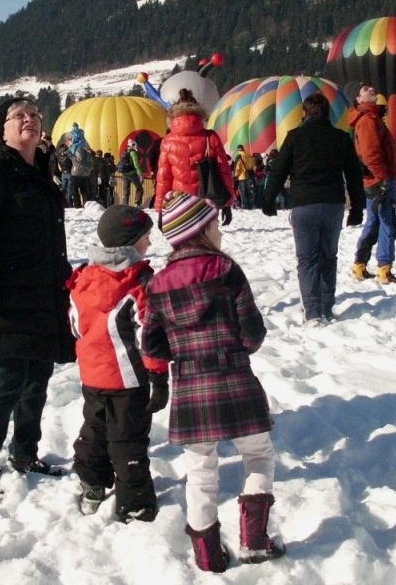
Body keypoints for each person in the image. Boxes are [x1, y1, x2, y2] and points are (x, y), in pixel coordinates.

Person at [141, 192, 283, 572]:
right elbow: (252, 334)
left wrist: (183, 351)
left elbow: (151, 344)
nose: (220, 231)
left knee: (200, 474)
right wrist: (236, 347)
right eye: (215, 225)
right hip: (235, 380)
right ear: (201, 231)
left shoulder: (156, 286)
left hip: (190, 389)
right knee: (258, 457)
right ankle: (255, 541)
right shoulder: (228, 272)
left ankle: (207, 557)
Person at [0, 97, 76, 502]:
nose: (29, 120)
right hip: (5, 292)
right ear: (2, 129)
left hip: (42, 290)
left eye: (34, 115)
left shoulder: (39, 168)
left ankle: (24, 453)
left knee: (38, 376)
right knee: (7, 378)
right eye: (18, 116)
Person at [67, 204, 166, 522]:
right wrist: (159, 377)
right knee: (128, 439)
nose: (149, 244)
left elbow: (75, 325)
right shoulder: (138, 281)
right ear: (129, 243)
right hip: (128, 381)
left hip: (92, 376)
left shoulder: (84, 276)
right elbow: (149, 335)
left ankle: (91, 483)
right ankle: (134, 502)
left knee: (94, 430)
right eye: (145, 237)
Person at [262, 92, 365, 325]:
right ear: (328, 112)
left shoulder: (295, 137)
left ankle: (313, 312)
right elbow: (354, 175)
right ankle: (327, 308)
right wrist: (357, 207)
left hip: (304, 205)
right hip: (333, 205)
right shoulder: (341, 138)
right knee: (328, 257)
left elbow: (278, 171)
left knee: (307, 260)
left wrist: (268, 200)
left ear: (304, 113)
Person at [346, 82, 396, 284]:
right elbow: (371, 153)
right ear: (359, 99)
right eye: (364, 90)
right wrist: (382, 178)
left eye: (372, 88)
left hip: (373, 179)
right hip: (378, 179)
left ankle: (360, 265)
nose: (372, 90)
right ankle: (384, 269)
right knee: (388, 223)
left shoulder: (372, 117)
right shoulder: (368, 120)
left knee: (374, 221)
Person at [153, 89, 235, 225]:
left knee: (185, 241)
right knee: (207, 241)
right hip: (208, 201)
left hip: (179, 202)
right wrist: (227, 202)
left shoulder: (168, 141)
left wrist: (161, 210)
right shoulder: (210, 137)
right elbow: (224, 171)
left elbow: (163, 178)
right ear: (199, 112)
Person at [119, 139, 143, 207]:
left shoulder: (125, 152)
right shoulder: (133, 153)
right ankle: (137, 203)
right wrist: (139, 173)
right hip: (132, 174)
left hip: (124, 174)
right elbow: (136, 164)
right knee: (140, 188)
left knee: (126, 191)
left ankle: (125, 204)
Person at [232, 144, 255, 209]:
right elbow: (253, 166)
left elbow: (237, 167)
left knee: (242, 192)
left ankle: (244, 205)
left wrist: (236, 176)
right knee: (248, 191)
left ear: (239, 149)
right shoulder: (249, 156)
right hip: (248, 176)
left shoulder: (239, 156)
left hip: (241, 176)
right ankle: (250, 204)